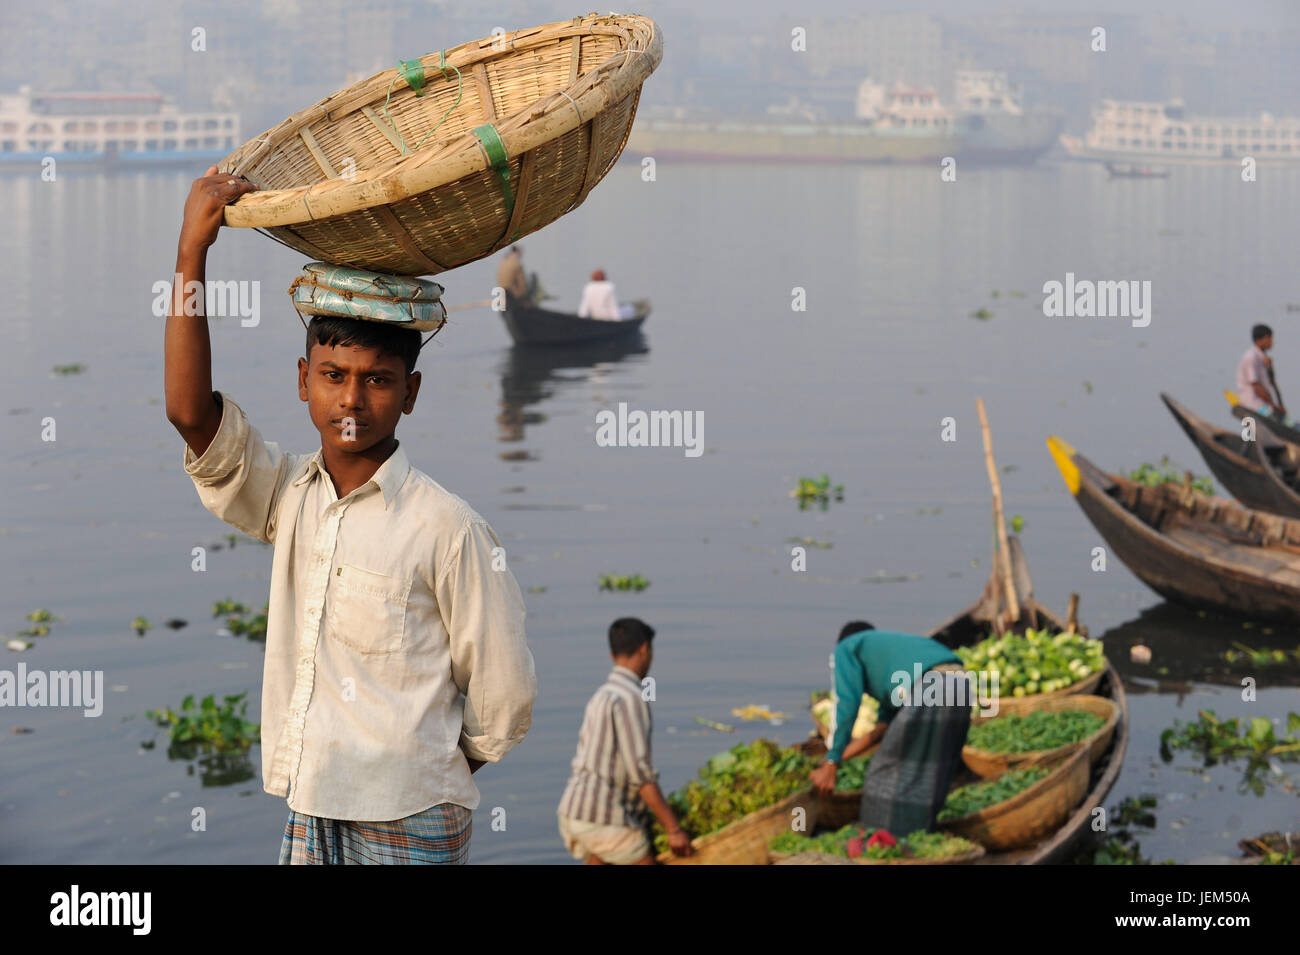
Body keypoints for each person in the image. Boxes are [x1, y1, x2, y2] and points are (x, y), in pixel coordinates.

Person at [164, 167, 537, 865]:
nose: (353, 401)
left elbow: (505, 697)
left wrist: (421, 771)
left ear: (411, 392)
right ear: (304, 380)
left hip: (412, 817)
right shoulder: (290, 497)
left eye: (377, 380)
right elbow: (191, 415)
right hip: (311, 805)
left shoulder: (446, 527)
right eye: (334, 376)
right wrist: (192, 253)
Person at [809, 621, 970, 835]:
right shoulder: (890, 665)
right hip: (961, 685)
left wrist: (832, 762)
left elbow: (847, 705)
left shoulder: (847, 648)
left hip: (932, 686)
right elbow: (881, 730)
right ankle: (919, 834)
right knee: (932, 769)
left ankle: (883, 838)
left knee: (883, 773)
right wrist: (836, 759)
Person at [556, 617, 691, 864]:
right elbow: (641, 774)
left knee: (601, 855)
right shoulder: (631, 698)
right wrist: (673, 829)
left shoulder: (601, 695)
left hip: (573, 811)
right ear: (644, 649)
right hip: (602, 817)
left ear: (612, 655)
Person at [1237, 324, 1285, 418]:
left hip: (1263, 404)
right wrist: (1273, 406)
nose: (1272, 342)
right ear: (1260, 340)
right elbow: (1256, 385)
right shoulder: (1251, 357)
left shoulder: (1262, 358)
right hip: (1254, 405)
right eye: (1269, 338)